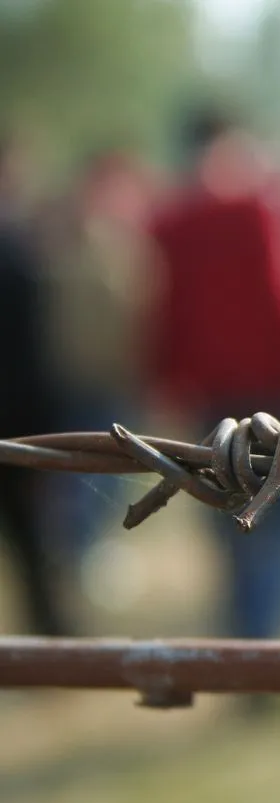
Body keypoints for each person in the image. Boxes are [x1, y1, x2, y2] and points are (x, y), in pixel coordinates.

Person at [145, 104, 280, 647]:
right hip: (279, 388)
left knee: (225, 508)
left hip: (211, 391)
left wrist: (168, 379)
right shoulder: (268, 203)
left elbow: (164, 311)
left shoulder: (174, 215)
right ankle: (268, 634)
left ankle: (246, 629)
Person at [34, 147, 155, 592]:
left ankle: (87, 547)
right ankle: (80, 550)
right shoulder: (73, 245)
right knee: (89, 468)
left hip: (113, 377)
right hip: (84, 377)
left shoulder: (122, 243)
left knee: (113, 467)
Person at [0, 132, 74, 636]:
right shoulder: (18, 252)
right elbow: (34, 351)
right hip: (17, 426)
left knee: (32, 545)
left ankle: (52, 639)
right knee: (31, 543)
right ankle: (53, 641)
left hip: (17, 421)